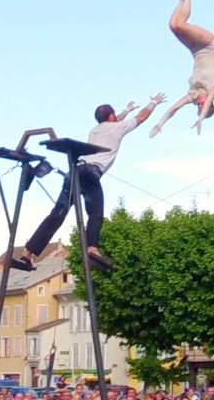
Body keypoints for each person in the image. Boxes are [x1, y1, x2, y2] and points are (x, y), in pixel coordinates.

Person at [11, 93, 166, 271]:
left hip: (74, 172)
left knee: (57, 214)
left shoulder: (95, 130)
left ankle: (27, 254)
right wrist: (153, 103)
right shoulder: (118, 127)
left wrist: (125, 110)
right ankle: (92, 248)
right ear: (111, 117)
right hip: (90, 174)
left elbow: (112, 122)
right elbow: (141, 117)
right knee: (95, 213)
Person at [150, 0, 214, 137]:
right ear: (208, 106)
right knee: (181, 25)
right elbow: (209, 99)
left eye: (199, 107)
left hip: (195, 50)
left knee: (173, 26)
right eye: (201, 106)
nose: (199, 104)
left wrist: (160, 123)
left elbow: (174, 108)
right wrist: (201, 118)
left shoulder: (193, 95)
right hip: (208, 45)